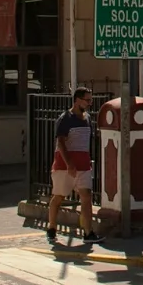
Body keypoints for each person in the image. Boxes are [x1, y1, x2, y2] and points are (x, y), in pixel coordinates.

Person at [47, 88, 95, 245]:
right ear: (77, 100)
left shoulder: (88, 118)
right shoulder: (65, 118)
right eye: (87, 100)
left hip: (83, 166)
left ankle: (88, 233)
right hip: (65, 166)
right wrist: (69, 164)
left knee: (86, 196)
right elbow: (60, 142)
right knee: (59, 196)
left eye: (90, 100)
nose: (89, 103)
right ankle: (52, 227)